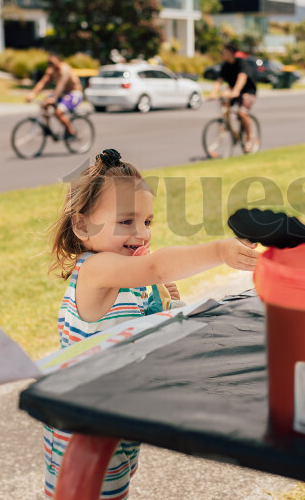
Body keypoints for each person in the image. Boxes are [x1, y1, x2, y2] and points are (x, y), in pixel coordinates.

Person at [43, 148, 260, 499]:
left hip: (121, 414)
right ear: (82, 225)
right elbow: (157, 265)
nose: (141, 234)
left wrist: (168, 301)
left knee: (117, 489)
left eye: (147, 222)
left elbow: (162, 328)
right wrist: (219, 252)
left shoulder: (134, 280)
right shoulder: (96, 269)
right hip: (84, 424)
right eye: (126, 222)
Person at [208, 43, 258, 152]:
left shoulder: (241, 63)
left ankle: (249, 139)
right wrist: (213, 93)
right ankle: (226, 123)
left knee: (242, 113)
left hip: (248, 91)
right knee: (223, 99)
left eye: (224, 52)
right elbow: (219, 81)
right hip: (234, 91)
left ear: (231, 53)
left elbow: (242, 77)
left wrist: (235, 91)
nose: (222, 54)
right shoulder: (225, 65)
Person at [25, 53, 82, 139]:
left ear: (59, 61)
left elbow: (61, 85)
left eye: (52, 63)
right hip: (62, 94)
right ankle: (48, 129)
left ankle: (71, 131)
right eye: (49, 63)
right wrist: (32, 94)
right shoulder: (51, 71)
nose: (50, 65)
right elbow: (42, 83)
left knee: (58, 112)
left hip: (74, 94)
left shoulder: (65, 69)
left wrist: (54, 98)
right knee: (44, 105)